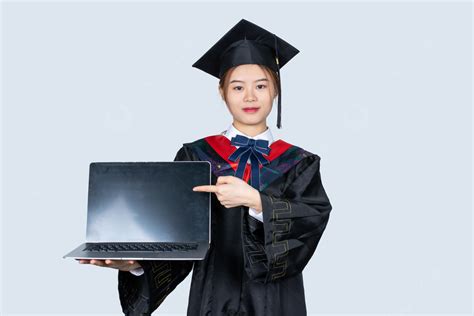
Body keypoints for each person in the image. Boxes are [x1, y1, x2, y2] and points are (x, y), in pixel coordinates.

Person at [78, 18, 333, 316]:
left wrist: (256, 201)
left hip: (276, 302)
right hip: (213, 297)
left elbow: (310, 223)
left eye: (261, 85)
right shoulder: (196, 157)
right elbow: (176, 238)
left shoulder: (299, 163)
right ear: (222, 92)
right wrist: (136, 266)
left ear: (275, 90)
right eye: (238, 87)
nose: (250, 97)